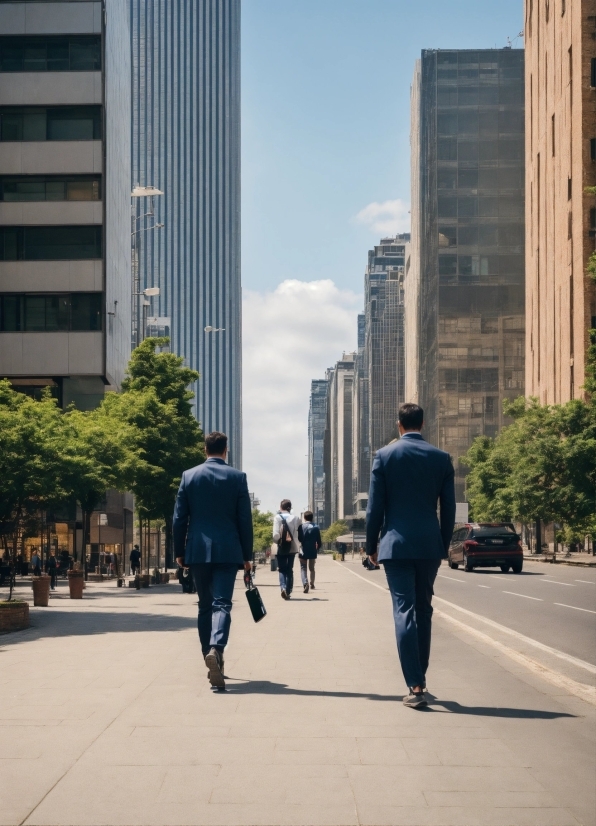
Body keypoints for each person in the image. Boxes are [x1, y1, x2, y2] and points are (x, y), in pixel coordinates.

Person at [366, 402, 455, 709]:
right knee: (424, 610)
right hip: (429, 545)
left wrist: (370, 547)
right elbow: (449, 509)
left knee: (404, 610)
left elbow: (374, 508)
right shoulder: (441, 459)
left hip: (396, 545)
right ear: (423, 424)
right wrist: (442, 545)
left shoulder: (385, 456)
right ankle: (421, 677)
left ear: (399, 425)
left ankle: (415, 685)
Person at [173, 431, 253, 690]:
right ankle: (216, 650)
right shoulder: (238, 478)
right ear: (225, 450)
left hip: (197, 550)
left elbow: (179, 518)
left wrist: (179, 551)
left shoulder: (189, 476)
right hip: (229, 551)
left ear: (205, 450)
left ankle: (208, 654)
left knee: (204, 606)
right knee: (222, 604)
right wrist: (247, 555)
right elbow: (244, 520)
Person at [272, 500, 301, 600]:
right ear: (290, 507)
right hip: (292, 546)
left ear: (281, 507)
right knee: (289, 569)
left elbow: (275, 534)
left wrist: (278, 541)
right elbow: (298, 533)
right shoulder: (296, 518)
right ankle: (288, 591)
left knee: (282, 569)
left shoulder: (277, 517)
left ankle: (283, 587)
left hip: (280, 546)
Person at [297, 511, 322, 592]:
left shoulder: (302, 526)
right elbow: (319, 542)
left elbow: (300, 539)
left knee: (303, 568)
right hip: (312, 551)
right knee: (312, 568)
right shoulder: (316, 527)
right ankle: (312, 583)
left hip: (303, 550)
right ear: (312, 518)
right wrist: (317, 549)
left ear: (304, 518)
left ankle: (305, 583)